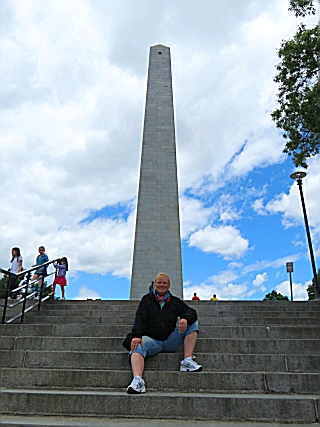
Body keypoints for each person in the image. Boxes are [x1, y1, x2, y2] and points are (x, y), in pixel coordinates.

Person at [124, 272, 202, 394]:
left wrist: (185, 318)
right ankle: (138, 380)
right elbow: (140, 318)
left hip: (170, 340)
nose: (161, 285)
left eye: (164, 283)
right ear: (154, 284)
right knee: (137, 345)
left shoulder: (175, 301)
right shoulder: (146, 300)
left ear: (169, 285)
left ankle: (187, 361)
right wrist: (137, 335)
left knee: (193, 322)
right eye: (159, 282)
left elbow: (191, 312)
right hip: (152, 341)